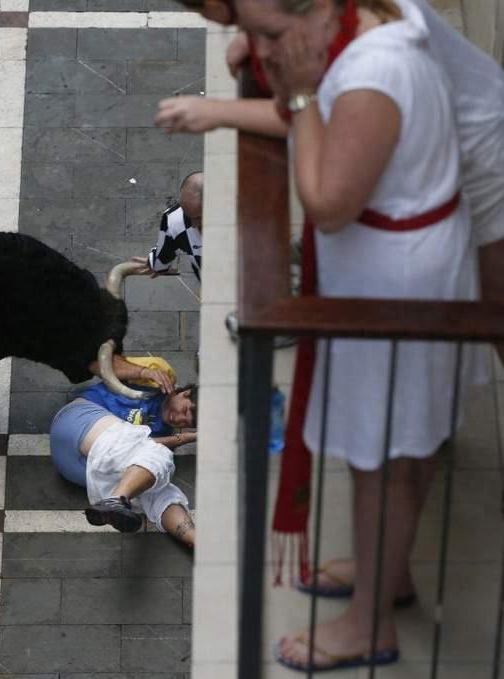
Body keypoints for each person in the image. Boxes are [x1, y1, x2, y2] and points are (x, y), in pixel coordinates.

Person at [158, 0, 504, 636]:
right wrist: (279, 85)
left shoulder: (373, 71)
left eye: (265, 35)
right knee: (392, 451)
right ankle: (385, 573)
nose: (255, 52)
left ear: (316, 15)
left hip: (405, 285)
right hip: (398, 277)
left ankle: (369, 620)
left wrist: (297, 94)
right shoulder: (351, 37)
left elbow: (330, 199)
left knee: (387, 460)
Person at [49, 355, 198, 548]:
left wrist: (187, 437)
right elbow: (98, 363)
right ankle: (115, 500)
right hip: (77, 422)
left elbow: (135, 449)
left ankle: (196, 541)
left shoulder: (162, 434)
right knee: (160, 455)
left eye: (188, 423)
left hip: (78, 469)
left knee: (156, 486)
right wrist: (144, 372)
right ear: (184, 393)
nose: (181, 419)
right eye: (185, 410)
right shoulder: (156, 380)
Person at [131, 172, 204, 282]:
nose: (193, 225)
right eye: (188, 216)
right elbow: (164, 254)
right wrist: (155, 264)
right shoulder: (174, 219)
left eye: (199, 217)